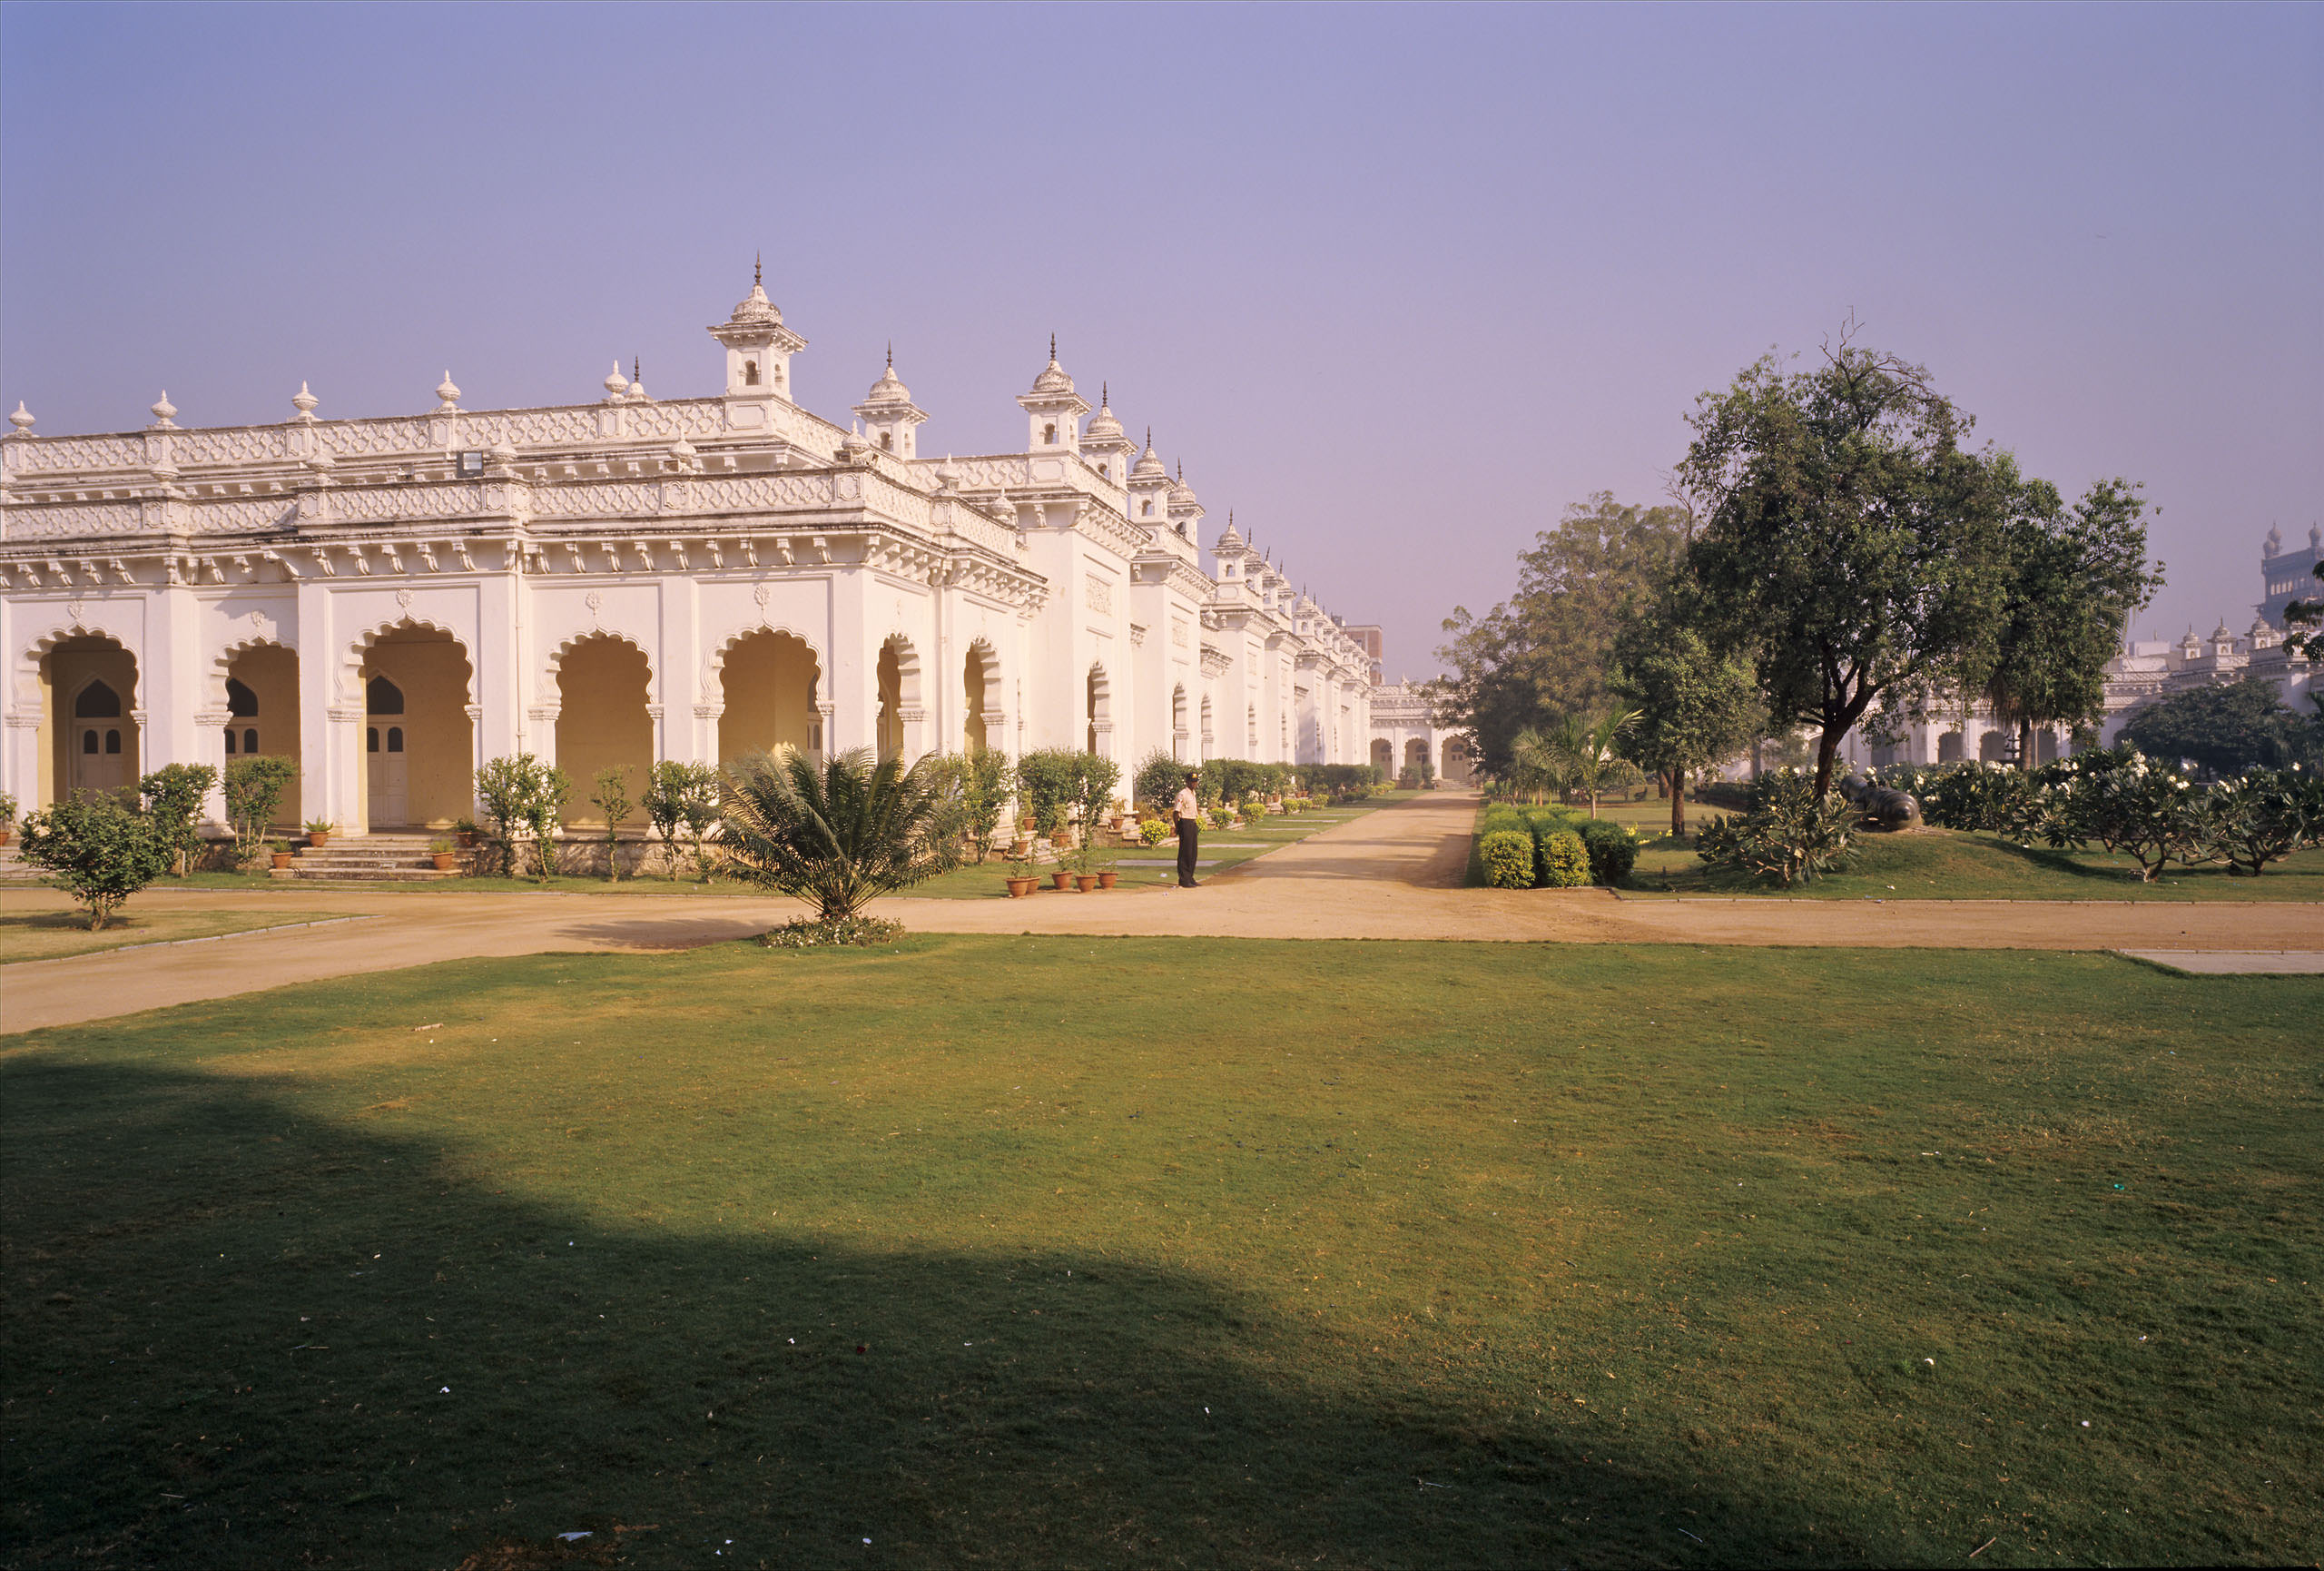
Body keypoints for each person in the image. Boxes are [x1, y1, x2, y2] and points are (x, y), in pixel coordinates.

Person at [1172, 770, 1202, 888]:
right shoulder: (1182, 794)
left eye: (1196, 781)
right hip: (1185, 822)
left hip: (1192, 822)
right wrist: (1177, 827)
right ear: (1187, 781)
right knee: (1185, 852)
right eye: (1192, 781)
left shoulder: (1193, 793)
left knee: (1193, 852)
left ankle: (1190, 877)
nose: (1194, 784)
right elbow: (1176, 812)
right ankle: (1184, 879)